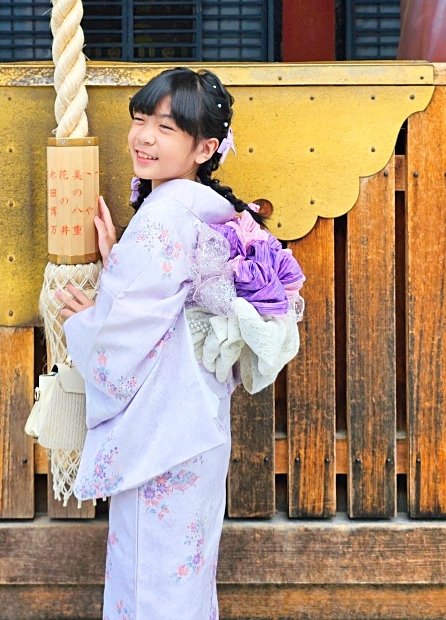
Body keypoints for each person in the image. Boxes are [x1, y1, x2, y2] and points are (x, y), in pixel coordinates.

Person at [54, 67, 291, 620]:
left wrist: (92, 319)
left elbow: (124, 340)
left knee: (151, 583)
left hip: (163, 434)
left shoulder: (165, 219)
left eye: (165, 127)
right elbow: (166, 306)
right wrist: (119, 263)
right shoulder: (202, 211)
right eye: (140, 121)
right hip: (195, 423)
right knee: (182, 578)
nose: (143, 137)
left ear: (206, 147)